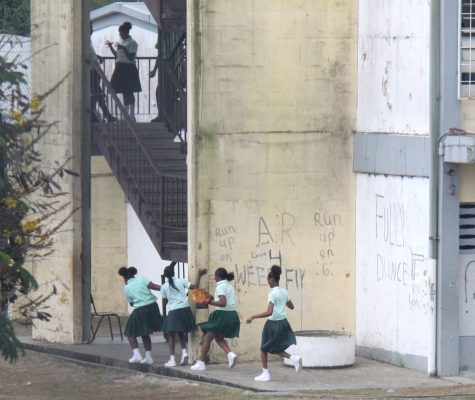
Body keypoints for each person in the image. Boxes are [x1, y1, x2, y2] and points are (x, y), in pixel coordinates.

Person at [246, 265, 302, 382]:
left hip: (272, 324)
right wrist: (283, 301)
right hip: (283, 323)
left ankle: (266, 373)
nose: (268, 283)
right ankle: (293, 358)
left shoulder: (272, 294)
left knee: (263, 348)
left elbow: (269, 312)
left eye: (268, 280)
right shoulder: (284, 292)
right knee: (271, 347)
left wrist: (253, 316)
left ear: (272, 279)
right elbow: (291, 306)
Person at [190, 267, 240, 371]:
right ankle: (230, 354)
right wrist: (210, 298)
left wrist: (208, 301)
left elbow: (223, 303)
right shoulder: (229, 285)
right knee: (219, 338)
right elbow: (223, 300)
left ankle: (201, 363)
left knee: (207, 338)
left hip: (222, 315)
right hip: (232, 315)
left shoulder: (220, 287)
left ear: (217, 277)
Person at [160, 263, 207, 367]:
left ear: (165, 275)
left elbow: (164, 302)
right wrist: (199, 275)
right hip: (185, 309)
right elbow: (195, 288)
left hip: (173, 311)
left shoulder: (164, 287)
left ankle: (172, 360)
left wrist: (165, 317)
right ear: (174, 273)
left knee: (171, 334)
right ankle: (184, 352)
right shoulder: (181, 281)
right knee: (181, 332)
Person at [118, 266, 162, 364]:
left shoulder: (127, 288)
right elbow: (155, 286)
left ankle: (137, 354)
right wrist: (166, 289)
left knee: (129, 332)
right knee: (144, 333)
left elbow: (132, 303)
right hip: (153, 307)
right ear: (134, 275)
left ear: (125, 278)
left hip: (141, 309)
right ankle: (148, 357)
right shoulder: (142, 279)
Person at [106, 21, 141, 122]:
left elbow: (131, 57)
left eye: (122, 32)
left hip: (129, 67)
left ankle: (132, 114)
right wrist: (111, 47)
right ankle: (125, 114)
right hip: (120, 67)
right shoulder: (121, 41)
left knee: (130, 91)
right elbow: (117, 56)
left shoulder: (132, 43)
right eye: (120, 33)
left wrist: (123, 48)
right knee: (124, 92)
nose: (120, 34)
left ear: (126, 32)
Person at [149, 40, 160, 122]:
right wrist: (154, 70)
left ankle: (162, 115)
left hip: (167, 69)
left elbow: (157, 46)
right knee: (159, 92)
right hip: (165, 69)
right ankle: (162, 115)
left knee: (159, 92)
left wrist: (154, 70)